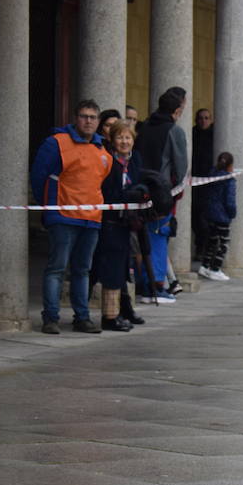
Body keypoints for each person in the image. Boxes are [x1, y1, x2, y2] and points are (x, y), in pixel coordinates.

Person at [29, 98, 112, 334]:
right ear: (75, 119)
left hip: (91, 218)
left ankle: (82, 317)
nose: (88, 121)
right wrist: (49, 207)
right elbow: (39, 177)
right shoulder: (56, 143)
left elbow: (101, 181)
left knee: (82, 270)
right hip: (63, 216)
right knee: (57, 268)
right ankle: (51, 318)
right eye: (84, 116)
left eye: (93, 117)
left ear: (98, 121)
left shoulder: (102, 150)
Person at [93, 118, 150, 332]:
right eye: (120, 137)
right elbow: (106, 190)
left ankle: (119, 312)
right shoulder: (107, 160)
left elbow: (140, 181)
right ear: (112, 139)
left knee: (122, 266)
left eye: (128, 137)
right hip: (109, 220)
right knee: (110, 268)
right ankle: (109, 317)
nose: (124, 141)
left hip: (128, 221)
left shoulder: (136, 160)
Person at [134, 87, 188, 304]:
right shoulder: (174, 131)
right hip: (161, 192)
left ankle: (145, 284)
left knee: (144, 238)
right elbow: (181, 166)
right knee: (158, 238)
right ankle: (155, 288)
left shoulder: (144, 127)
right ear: (176, 110)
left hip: (139, 189)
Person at [198, 151, 236, 282]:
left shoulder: (212, 175)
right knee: (223, 243)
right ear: (230, 166)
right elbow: (230, 200)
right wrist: (232, 213)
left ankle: (205, 265)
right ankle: (215, 269)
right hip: (222, 215)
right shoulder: (229, 180)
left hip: (210, 213)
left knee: (211, 241)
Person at [191, 107, 215, 268]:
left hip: (209, 181)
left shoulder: (215, 135)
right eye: (201, 118)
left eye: (207, 118)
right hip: (193, 180)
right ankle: (200, 246)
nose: (203, 121)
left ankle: (206, 248)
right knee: (195, 217)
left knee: (206, 219)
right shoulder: (192, 133)